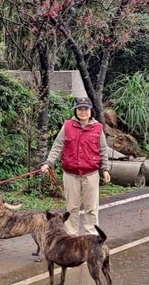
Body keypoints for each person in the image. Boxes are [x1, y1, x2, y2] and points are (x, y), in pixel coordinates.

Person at [41, 97, 111, 236]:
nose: (83, 112)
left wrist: (105, 169)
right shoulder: (68, 126)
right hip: (70, 174)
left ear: (91, 111)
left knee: (91, 209)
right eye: (80, 109)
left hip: (90, 174)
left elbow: (103, 150)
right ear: (76, 110)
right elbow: (57, 146)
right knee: (72, 208)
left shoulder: (97, 128)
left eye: (86, 109)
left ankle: (92, 237)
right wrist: (48, 163)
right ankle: (71, 237)